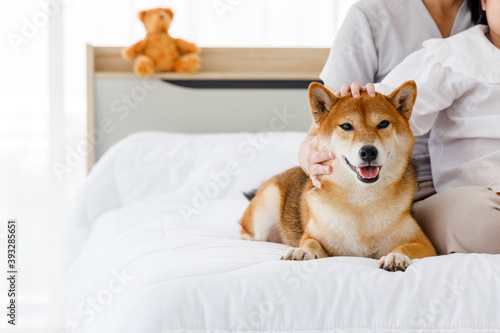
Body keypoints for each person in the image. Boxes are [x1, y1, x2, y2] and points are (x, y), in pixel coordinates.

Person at [336, 0, 500, 255]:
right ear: (485, 3)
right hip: (471, 193)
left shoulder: (465, 19)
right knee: (478, 221)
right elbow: (393, 104)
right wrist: (363, 100)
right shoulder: (456, 54)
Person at [300, 0, 479, 194]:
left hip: (477, 176)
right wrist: (309, 159)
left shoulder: (490, 14)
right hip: (394, 182)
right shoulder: (370, 16)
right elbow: (316, 136)